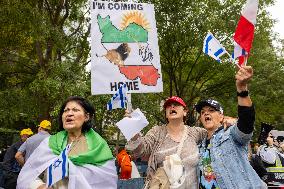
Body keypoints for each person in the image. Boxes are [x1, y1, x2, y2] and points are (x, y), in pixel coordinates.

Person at [17, 96, 117, 189]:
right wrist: (40, 186)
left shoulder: (98, 146)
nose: (69, 113)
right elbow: (29, 174)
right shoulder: (50, 143)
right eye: (66, 111)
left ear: (86, 117)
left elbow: (107, 182)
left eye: (75, 110)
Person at [195, 66, 267, 188]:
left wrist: (242, 88)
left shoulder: (230, 135)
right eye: (202, 112)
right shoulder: (199, 146)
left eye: (211, 110)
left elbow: (246, 122)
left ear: (221, 116)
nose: (206, 113)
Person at [126, 96, 207, 188]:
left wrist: (224, 120)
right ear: (166, 114)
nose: (172, 107)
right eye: (168, 106)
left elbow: (215, 134)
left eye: (176, 105)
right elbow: (141, 151)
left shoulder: (196, 133)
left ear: (185, 112)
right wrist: (133, 131)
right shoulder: (157, 132)